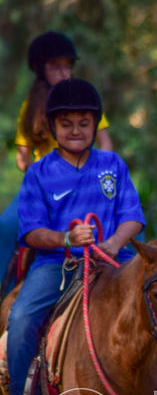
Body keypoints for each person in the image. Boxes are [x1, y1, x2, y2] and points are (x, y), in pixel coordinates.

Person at [0, 78, 144, 395]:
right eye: (67, 124)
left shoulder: (113, 165)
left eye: (84, 123)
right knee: (20, 318)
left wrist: (113, 242)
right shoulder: (39, 172)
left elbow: (133, 216)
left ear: (95, 125)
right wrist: (66, 239)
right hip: (57, 264)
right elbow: (31, 232)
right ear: (53, 127)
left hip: (115, 259)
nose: (76, 130)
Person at [0, 32, 114, 290]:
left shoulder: (86, 99)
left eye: (67, 66)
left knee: (128, 217)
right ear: (41, 70)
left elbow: (106, 143)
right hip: (44, 183)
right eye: (56, 67)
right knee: (6, 226)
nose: (64, 73)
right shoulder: (29, 108)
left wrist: (103, 173)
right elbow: (22, 159)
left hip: (86, 176)